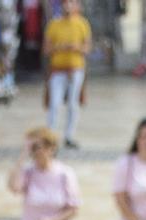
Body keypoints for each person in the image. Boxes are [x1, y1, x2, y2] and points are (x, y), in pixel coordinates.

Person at [44, 0, 92, 149]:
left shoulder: (82, 24)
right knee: (55, 104)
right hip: (58, 70)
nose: (68, 6)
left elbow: (87, 47)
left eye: (71, 3)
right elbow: (46, 49)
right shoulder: (54, 24)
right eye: (66, 3)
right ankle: (50, 136)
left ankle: (69, 136)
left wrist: (76, 47)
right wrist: (60, 47)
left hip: (75, 70)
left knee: (73, 104)